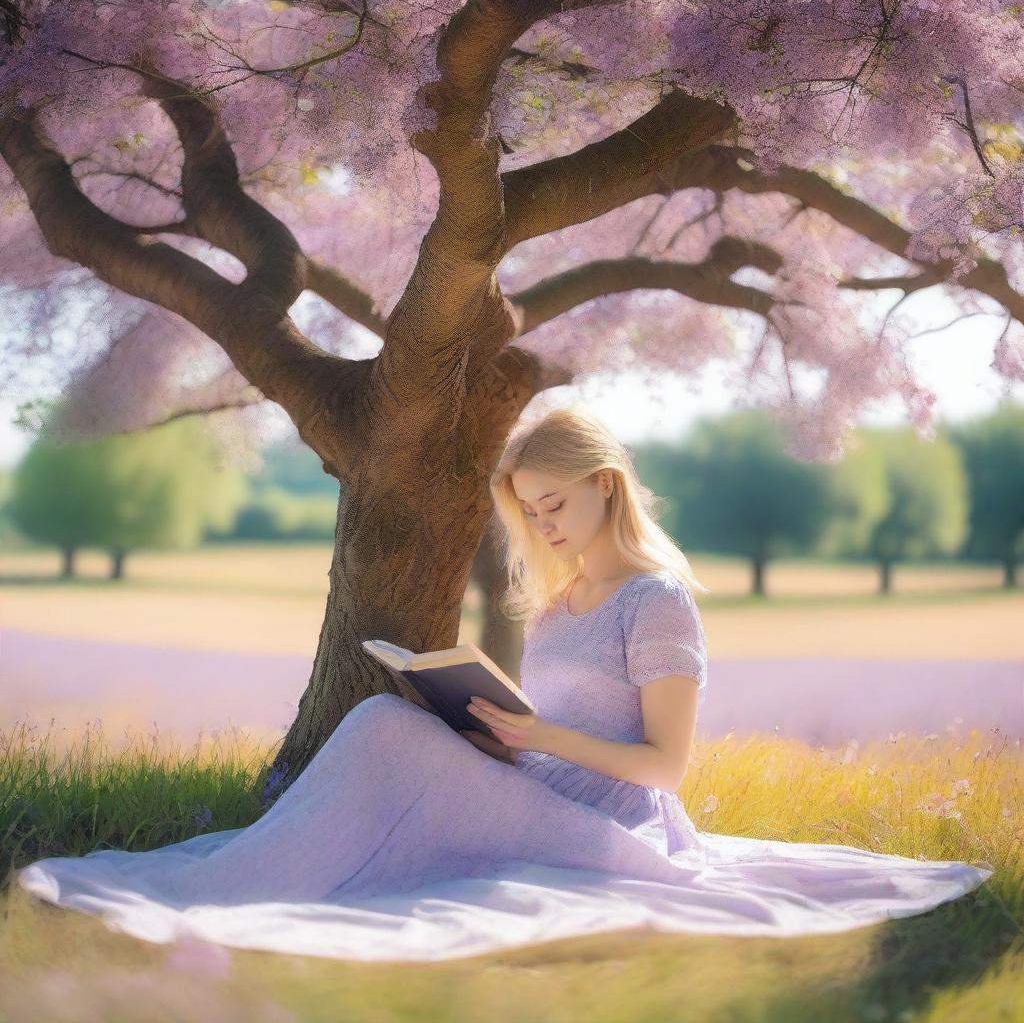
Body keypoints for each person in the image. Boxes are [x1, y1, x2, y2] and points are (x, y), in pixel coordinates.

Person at [14, 404, 993, 963]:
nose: (545, 524)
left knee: (376, 731)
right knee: (385, 722)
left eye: (555, 503)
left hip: (610, 827)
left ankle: (239, 883)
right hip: (533, 787)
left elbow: (664, 765)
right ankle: (255, 871)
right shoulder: (560, 602)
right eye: (530, 510)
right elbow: (546, 723)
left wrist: (536, 743)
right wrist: (489, 730)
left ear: (605, 483)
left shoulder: (656, 605)